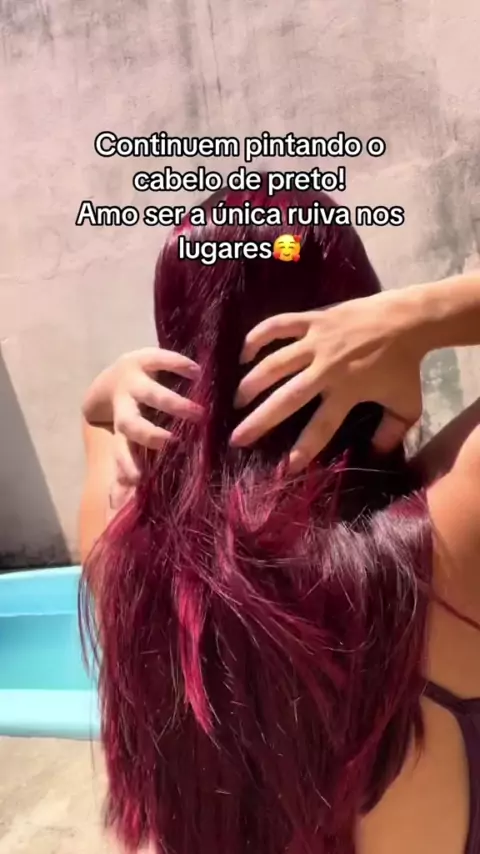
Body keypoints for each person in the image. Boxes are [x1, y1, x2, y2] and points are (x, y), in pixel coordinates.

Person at [80, 186, 480, 854]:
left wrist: (111, 386)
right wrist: (419, 317)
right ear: (363, 314)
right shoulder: (450, 538)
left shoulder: (124, 552)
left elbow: (97, 419)